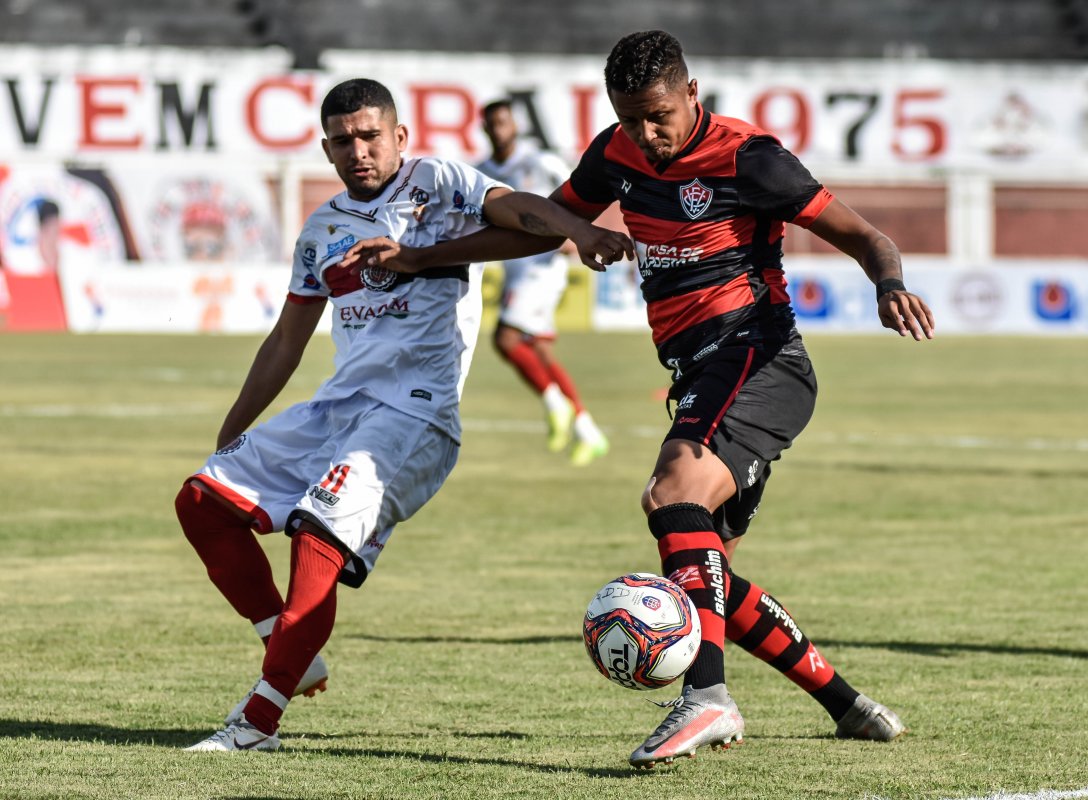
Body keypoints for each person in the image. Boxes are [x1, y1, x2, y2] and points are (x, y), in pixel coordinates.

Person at [345, 30, 935, 770]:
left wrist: (890, 284)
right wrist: (423, 258)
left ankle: (707, 700)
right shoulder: (616, 154)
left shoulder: (750, 157)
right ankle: (846, 705)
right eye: (630, 119)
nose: (646, 135)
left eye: (659, 116)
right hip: (697, 374)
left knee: (670, 495)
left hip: (759, 357)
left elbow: (865, 234)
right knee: (705, 572)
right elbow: (539, 228)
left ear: (693, 94)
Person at [177, 77, 632, 752]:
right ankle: (288, 645)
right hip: (340, 406)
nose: (357, 150)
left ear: (398, 137)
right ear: (327, 149)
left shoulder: (438, 182)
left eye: (369, 136)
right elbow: (286, 341)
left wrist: (576, 230)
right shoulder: (322, 230)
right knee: (200, 501)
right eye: (342, 141)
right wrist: (234, 427)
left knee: (317, 535)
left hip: (417, 413)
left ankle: (258, 722)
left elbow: (518, 208)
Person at [476, 99, 609, 466]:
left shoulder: (541, 162)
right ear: (485, 129)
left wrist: (574, 234)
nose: (499, 129)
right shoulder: (482, 172)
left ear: (515, 125)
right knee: (539, 352)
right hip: (516, 269)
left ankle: (555, 405)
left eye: (504, 122)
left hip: (545, 268)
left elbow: (578, 198)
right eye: (492, 124)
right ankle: (587, 429)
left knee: (505, 338)